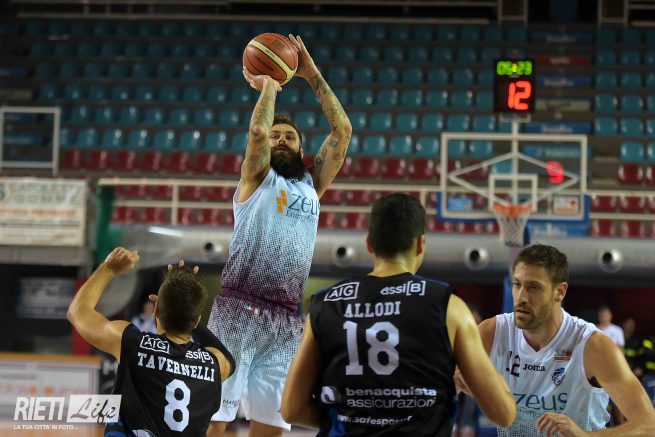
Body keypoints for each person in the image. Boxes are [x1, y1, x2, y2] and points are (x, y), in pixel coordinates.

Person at [207, 34, 352, 437]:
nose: (282, 140)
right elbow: (257, 131)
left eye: (290, 137)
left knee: (272, 426)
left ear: (302, 150)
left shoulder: (311, 185)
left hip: (286, 320)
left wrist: (311, 74)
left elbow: (342, 131)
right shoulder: (256, 177)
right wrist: (270, 85)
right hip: (237, 310)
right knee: (215, 421)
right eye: (277, 136)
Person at [281, 193, 516, 436]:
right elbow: (503, 414)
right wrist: (499, 382)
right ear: (421, 244)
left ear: (369, 244)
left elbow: (291, 410)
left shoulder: (325, 304)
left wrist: (347, 421)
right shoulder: (449, 307)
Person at [464, 244, 655, 436]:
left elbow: (649, 425)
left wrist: (585, 436)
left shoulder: (592, 345)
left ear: (560, 291)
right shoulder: (492, 332)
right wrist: (456, 381)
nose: (521, 297)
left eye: (533, 287)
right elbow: (449, 383)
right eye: (517, 284)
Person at [67, 248, 235, 436]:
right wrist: (186, 308)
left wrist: (109, 268)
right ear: (196, 322)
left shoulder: (132, 343)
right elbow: (229, 360)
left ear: (155, 310)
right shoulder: (216, 363)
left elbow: (77, 311)